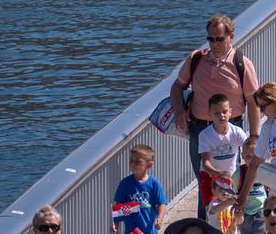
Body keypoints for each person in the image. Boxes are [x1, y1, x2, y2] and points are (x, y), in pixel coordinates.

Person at [171, 14, 260, 220]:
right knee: (205, 183)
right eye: (210, 39)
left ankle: (232, 225)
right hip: (200, 129)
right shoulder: (196, 59)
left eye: (219, 39)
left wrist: (254, 136)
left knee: (231, 182)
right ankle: (205, 225)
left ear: (231, 37)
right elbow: (177, 87)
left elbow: (253, 101)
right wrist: (179, 111)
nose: (215, 44)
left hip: (232, 130)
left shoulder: (241, 63)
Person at [197, 93, 248, 222]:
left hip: (230, 177)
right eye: (217, 113)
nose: (222, 116)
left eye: (224, 112)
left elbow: (249, 150)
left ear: (231, 112)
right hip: (210, 177)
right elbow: (206, 162)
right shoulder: (205, 135)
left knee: (232, 211)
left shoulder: (237, 132)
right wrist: (218, 173)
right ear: (209, 114)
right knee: (213, 211)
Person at [111, 144, 166, 234]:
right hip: (131, 231)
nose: (133, 163)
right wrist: (115, 225)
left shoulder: (154, 184)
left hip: (149, 230)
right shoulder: (125, 183)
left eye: (138, 162)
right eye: (131, 160)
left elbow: (161, 204)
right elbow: (118, 206)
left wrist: (159, 219)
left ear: (149, 165)